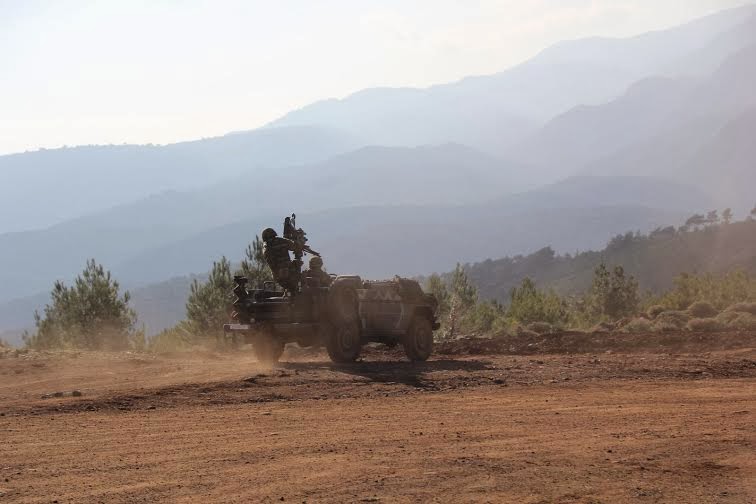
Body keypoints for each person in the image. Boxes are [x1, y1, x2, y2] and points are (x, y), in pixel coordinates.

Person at [261, 227, 299, 293]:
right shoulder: (282, 241)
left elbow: (270, 263)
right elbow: (295, 247)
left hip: (278, 274)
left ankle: (289, 291)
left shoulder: (266, 247)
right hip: (289, 270)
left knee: (287, 285)